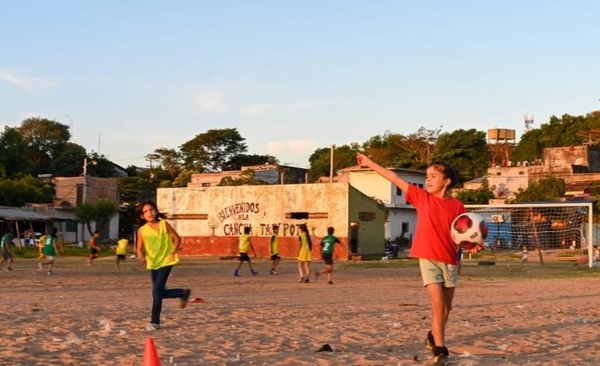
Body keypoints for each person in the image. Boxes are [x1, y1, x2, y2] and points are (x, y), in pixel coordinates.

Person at [357, 152, 482, 366]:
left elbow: (462, 235)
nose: (428, 179)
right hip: (428, 259)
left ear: (447, 181)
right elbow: (394, 178)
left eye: (433, 175)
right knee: (437, 305)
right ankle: (440, 350)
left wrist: (473, 245)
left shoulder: (458, 207)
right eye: (427, 175)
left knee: (447, 309)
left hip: (450, 261)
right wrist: (369, 163)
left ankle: (433, 336)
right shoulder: (421, 197)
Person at [135, 200, 191, 330]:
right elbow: (139, 248)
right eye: (145, 211)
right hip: (153, 263)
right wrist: (141, 257)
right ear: (142, 216)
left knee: (156, 293)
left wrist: (173, 252)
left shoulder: (164, 224)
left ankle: (155, 322)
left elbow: (177, 238)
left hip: (166, 261)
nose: (149, 212)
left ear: (156, 211)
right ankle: (182, 293)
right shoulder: (142, 231)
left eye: (151, 209)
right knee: (160, 292)